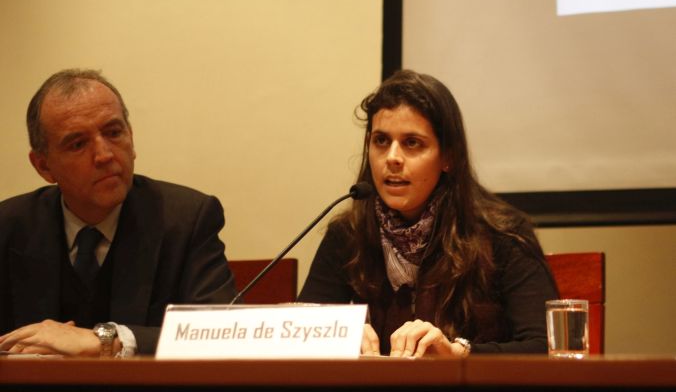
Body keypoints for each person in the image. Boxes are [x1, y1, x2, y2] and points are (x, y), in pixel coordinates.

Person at [298, 69, 558, 357]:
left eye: (412, 143)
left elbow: (546, 346)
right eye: (381, 141)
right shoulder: (347, 234)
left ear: (448, 156)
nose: (393, 158)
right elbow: (299, 333)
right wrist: (335, 333)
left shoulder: (501, 234)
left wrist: (458, 354)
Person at [0, 69, 236, 357]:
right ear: (43, 166)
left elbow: (221, 335)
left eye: (113, 133)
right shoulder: (9, 226)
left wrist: (106, 340)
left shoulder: (186, 219)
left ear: (131, 137)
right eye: (78, 144)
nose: (105, 155)